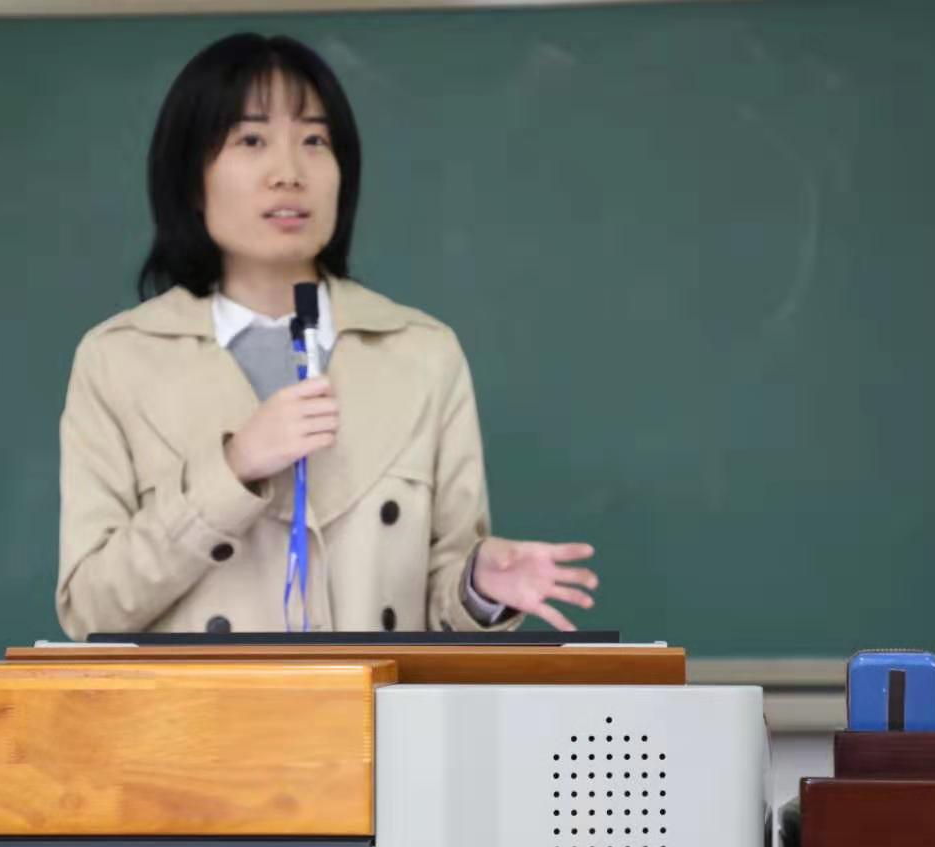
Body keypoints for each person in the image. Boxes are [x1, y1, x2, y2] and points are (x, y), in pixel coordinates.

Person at [56, 33, 597, 639]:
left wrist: (479, 587)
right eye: (251, 140)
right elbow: (90, 610)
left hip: (374, 702)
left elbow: (441, 612)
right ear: (190, 180)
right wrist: (233, 468)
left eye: (315, 141)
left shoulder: (422, 353)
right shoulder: (119, 361)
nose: (289, 173)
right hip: (204, 705)